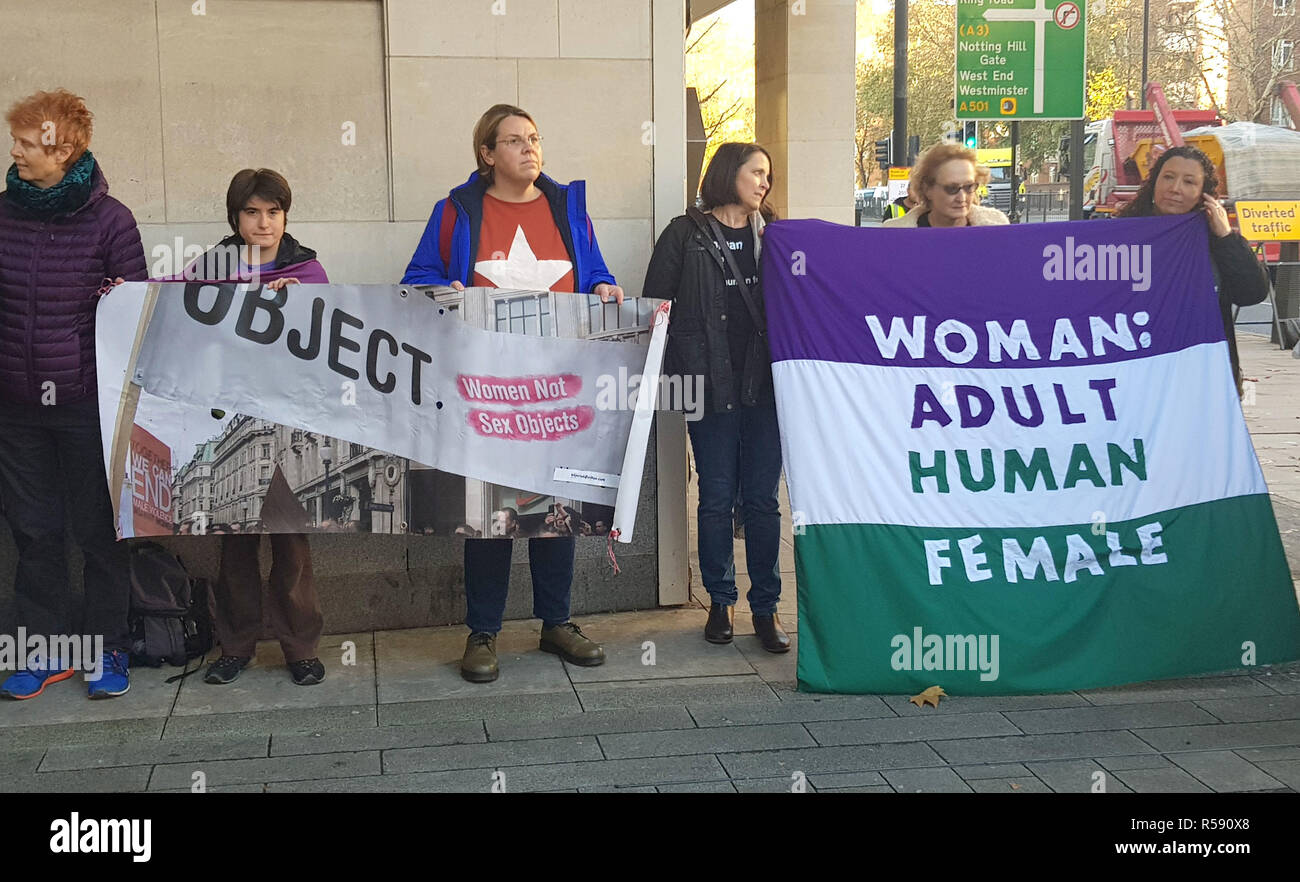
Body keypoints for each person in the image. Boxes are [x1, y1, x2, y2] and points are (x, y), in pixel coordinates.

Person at [402, 103, 622, 683]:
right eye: (515, 140)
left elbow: (596, 272)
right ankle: (483, 631)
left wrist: (604, 285)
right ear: (487, 153)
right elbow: (416, 278)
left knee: (558, 507)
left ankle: (557, 622)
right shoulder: (454, 212)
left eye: (535, 138)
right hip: (486, 386)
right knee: (489, 513)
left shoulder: (569, 209)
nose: (530, 148)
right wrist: (441, 288)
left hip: (558, 386)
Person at [0, 89, 145, 699]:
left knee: (99, 530)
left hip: (86, 406)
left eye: (28, 144)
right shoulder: (3, 213)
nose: (16, 152)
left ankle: (110, 647)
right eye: (17, 141)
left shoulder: (112, 221)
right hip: (16, 408)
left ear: (65, 149)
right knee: (34, 533)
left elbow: (135, 315)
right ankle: (43, 650)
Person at [169, 168, 329, 687]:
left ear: (286, 215)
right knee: (234, 546)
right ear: (235, 218)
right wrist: (119, 293)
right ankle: (235, 646)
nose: (264, 223)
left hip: (287, 425)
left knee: (291, 548)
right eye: (252, 213)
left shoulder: (307, 270)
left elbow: (332, 335)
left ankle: (299, 648)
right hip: (229, 416)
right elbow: (161, 301)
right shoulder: (210, 266)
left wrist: (299, 306)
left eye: (274, 212)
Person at [641, 142, 789, 653]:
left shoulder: (776, 236)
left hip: (765, 386)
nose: (764, 183)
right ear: (729, 173)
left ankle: (766, 609)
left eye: (768, 175)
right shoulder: (684, 234)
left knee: (763, 501)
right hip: (706, 385)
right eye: (756, 172)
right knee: (716, 495)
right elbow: (655, 308)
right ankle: (721, 602)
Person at [1116, 145, 1269, 395]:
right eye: (1168, 177)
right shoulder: (1121, 235)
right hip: (1138, 380)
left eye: (1189, 182)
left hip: (1205, 383)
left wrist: (1225, 237)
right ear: (1154, 182)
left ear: (1203, 194)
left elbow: (1252, 293)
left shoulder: (1215, 240)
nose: (1176, 188)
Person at [883, 143, 1009, 228]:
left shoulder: (997, 227)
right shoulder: (894, 233)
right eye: (952, 188)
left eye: (969, 187)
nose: (962, 198)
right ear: (927, 189)